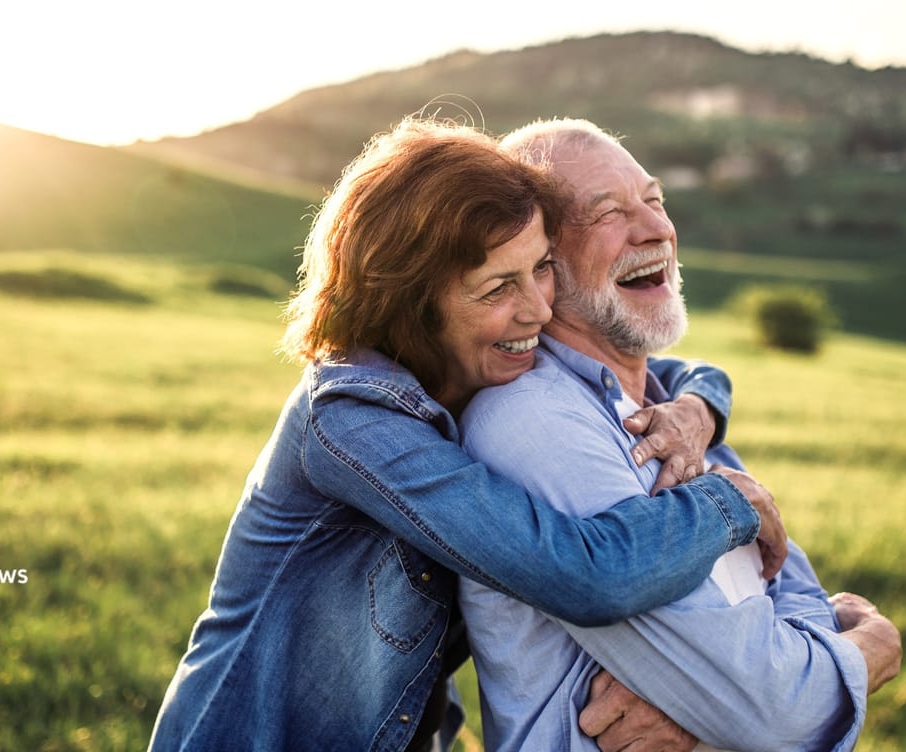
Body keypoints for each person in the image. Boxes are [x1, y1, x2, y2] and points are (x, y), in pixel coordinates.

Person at [146, 117, 789, 752]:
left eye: (539, 268)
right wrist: (729, 502)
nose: (538, 308)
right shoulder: (350, 420)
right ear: (412, 303)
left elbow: (674, 371)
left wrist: (698, 408)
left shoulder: (477, 366)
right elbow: (587, 577)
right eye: (497, 288)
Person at [458, 118, 903, 752]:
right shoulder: (534, 424)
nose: (657, 229)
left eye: (655, 200)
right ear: (539, 262)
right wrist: (873, 647)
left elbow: (786, 589)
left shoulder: (680, 418)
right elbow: (778, 712)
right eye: (609, 212)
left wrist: (732, 696)